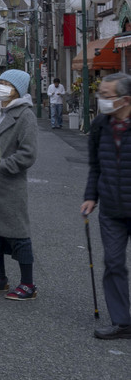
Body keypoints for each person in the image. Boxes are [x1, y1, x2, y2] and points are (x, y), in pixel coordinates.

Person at [0, 69, 39, 300]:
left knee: (18, 233)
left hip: (9, 184)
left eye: (6, 84)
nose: (0, 86)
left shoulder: (25, 115)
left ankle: (28, 284)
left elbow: (28, 155)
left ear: (18, 90)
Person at [81, 72, 131, 340]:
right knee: (113, 263)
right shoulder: (100, 124)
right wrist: (91, 196)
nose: (101, 100)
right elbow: (95, 166)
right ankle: (122, 322)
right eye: (100, 94)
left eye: (107, 96)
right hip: (111, 208)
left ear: (126, 99)